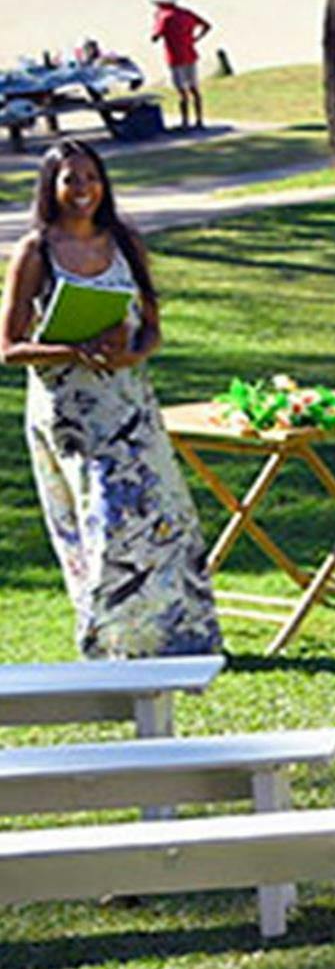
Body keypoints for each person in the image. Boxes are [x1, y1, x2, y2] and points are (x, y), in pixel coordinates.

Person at [0, 140, 222, 658]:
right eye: (70, 180)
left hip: (130, 403)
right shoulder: (36, 250)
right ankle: (109, 642)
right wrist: (73, 350)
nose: (83, 190)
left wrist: (130, 355)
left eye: (90, 177)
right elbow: (9, 348)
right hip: (71, 413)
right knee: (102, 519)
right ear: (51, 188)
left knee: (162, 516)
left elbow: (152, 331)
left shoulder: (125, 241)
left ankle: (176, 635)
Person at [148, 0, 212, 130]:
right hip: (190, 54)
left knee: (182, 92)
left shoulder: (165, 17)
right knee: (194, 89)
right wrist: (195, 39)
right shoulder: (186, 13)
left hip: (175, 57)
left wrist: (156, 22)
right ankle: (199, 120)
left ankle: (185, 122)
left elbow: (155, 37)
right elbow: (207, 26)